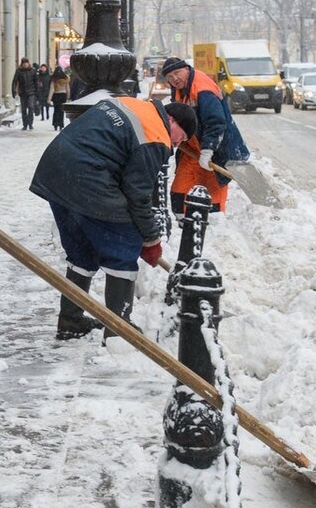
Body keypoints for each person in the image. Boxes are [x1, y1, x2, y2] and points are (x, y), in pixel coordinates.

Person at [29, 97, 198, 340]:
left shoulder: (131, 104)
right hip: (87, 179)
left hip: (55, 173)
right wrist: (150, 239)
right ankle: (119, 329)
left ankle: (70, 320)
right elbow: (138, 195)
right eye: (180, 137)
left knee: (81, 252)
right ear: (171, 120)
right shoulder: (155, 135)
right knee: (125, 243)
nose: (175, 144)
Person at [160, 56, 250, 214]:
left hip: (215, 150)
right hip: (191, 149)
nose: (174, 78)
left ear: (187, 69)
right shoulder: (180, 88)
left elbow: (216, 122)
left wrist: (208, 150)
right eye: (170, 77)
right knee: (179, 192)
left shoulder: (203, 90)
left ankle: (213, 227)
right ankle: (184, 225)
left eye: (177, 72)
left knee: (212, 196)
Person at [11, 57, 40, 130]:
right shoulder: (19, 71)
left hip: (31, 92)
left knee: (30, 107)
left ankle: (30, 124)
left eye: (26, 63)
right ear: (22, 64)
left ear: (28, 63)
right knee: (23, 109)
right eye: (23, 63)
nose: (25, 64)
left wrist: (37, 93)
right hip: (22, 92)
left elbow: (36, 82)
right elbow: (15, 81)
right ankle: (25, 125)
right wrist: (14, 91)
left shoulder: (32, 71)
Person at [49, 66, 70, 130]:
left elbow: (52, 89)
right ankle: (61, 124)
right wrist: (68, 97)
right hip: (63, 95)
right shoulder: (65, 78)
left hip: (56, 95)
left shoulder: (54, 79)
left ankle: (55, 124)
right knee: (61, 111)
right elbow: (67, 88)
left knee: (56, 110)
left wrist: (49, 98)